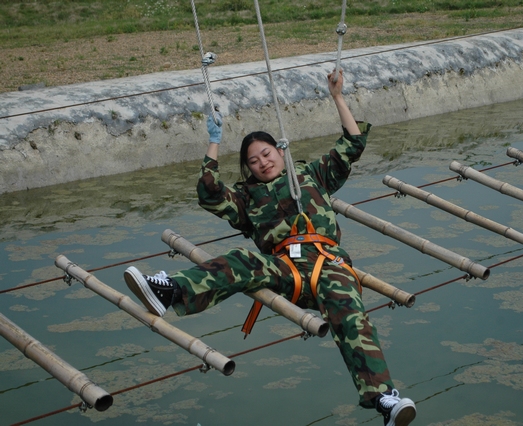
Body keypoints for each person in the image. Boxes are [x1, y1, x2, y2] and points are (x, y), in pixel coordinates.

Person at [124, 69, 416, 426]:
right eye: (254, 161)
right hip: (285, 269)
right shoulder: (246, 197)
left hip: (328, 263)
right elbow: (209, 193)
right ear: (248, 168)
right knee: (241, 261)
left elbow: (353, 143)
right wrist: (213, 142)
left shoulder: (312, 174)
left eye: (266, 153)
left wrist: (338, 97)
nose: (263, 162)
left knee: (349, 313)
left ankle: (384, 399)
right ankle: (169, 291)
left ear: (280, 150)